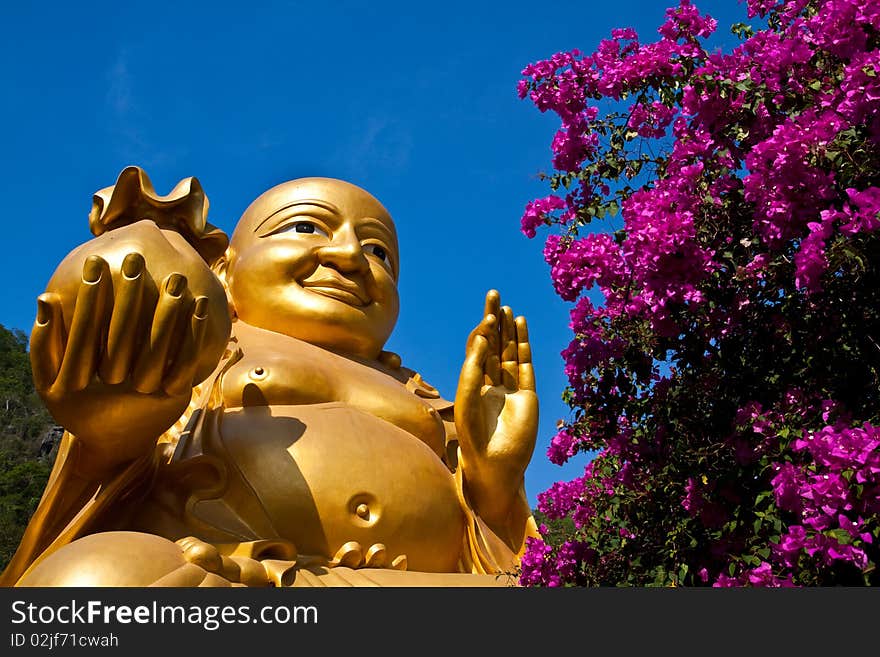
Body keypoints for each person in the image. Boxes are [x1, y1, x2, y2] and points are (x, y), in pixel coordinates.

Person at [0, 166, 539, 587]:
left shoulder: (421, 393)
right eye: (305, 226)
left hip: (418, 586)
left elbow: (495, 548)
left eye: (379, 252)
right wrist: (115, 429)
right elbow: (124, 474)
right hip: (229, 576)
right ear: (225, 270)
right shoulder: (204, 345)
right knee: (98, 582)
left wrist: (492, 479)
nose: (350, 255)